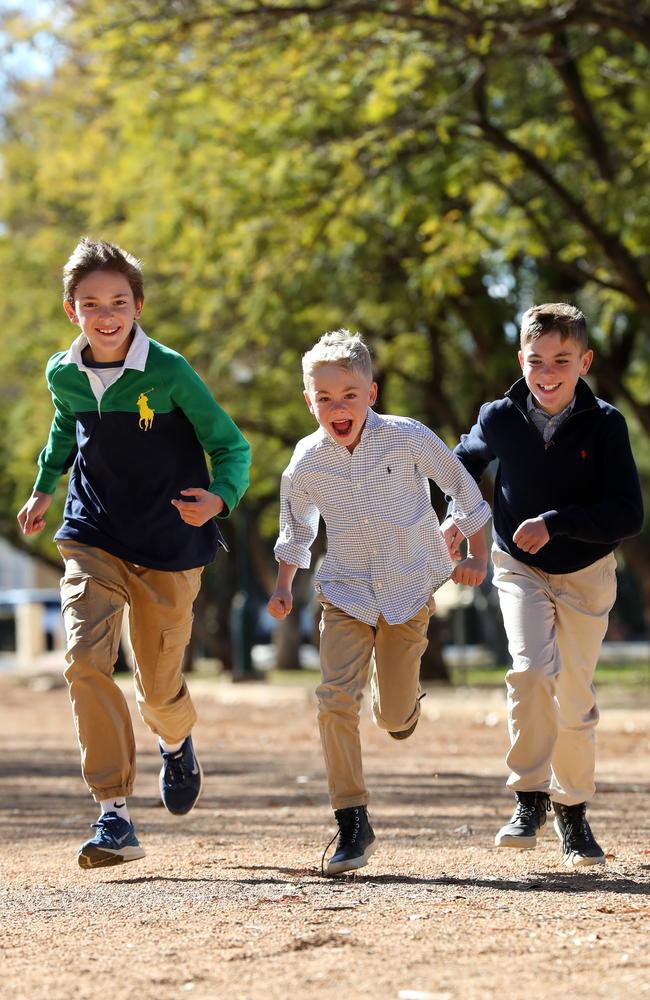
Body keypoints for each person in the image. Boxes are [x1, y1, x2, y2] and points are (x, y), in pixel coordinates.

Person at [17, 238, 251, 870]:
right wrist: (44, 487)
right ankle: (114, 811)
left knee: (157, 685)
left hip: (171, 545)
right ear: (73, 311)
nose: (106, 313)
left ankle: (175, 741)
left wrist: (219, 499)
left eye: (118, 300)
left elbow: (231, 446)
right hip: (92, 534)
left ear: (138, 305)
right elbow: (66, 425)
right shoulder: (62, 372)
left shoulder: (169, 371)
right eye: (91, 303)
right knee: (84, 660)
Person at [267, 329, 490, 875]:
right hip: (344, 591)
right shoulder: (306, 461)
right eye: (323, 398)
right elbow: (297, 528)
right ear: (308, 401)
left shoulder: (408, 438)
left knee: (391, 713)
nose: (336, 408)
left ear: (371, 393)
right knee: (334, 700)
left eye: (348, 395)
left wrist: (475, 554)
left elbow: (464, 489)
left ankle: (404, 707)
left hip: (409, 586)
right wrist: (282, 585)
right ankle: (352, 821)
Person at [443, 302, 643, 868]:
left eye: (562, 359)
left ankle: (573, 810)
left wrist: (557, 522)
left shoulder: (605, 424)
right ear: (520, 360)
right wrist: (456, 516)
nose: (547, 372)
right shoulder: (499, 416)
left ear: (585, 361)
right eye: (536, 360)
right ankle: (529, 797)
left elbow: (628, 513)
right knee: (531, 671)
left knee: (575, 695)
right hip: (518, 568)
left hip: (586, 574)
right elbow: (460, 466)